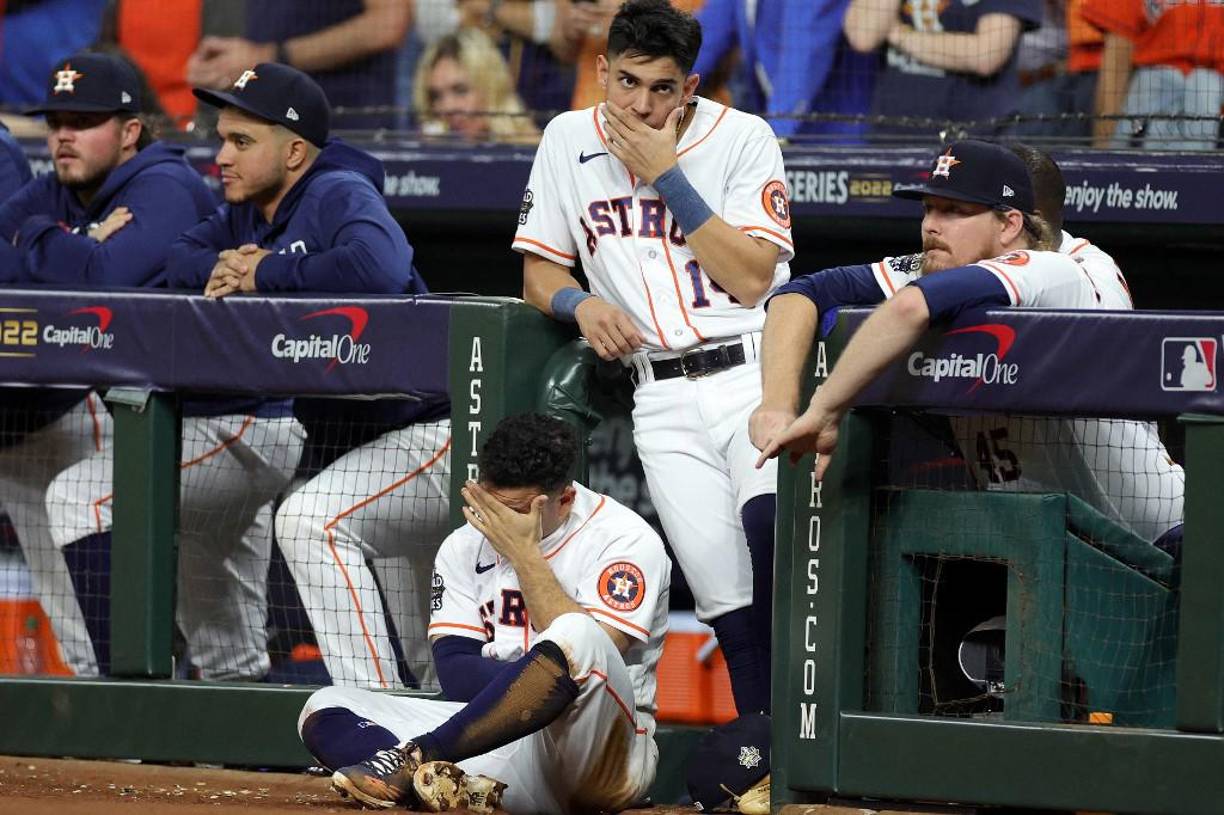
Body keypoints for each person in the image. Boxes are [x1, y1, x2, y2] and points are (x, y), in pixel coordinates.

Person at [514, 0, 790, 716]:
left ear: (689, 87)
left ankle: (813, 746)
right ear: (602, 71)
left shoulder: (743, 137)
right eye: (629, 82)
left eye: (662, 88)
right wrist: (580, 305)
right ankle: (764, 752)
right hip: (659, 393)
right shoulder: (567, 138)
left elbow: (754, 276)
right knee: (724, 592)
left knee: (774, 537)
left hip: (751, 371)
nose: (642, 103)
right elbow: (539, 273)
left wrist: (668, 173)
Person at [165, 61, 448, 690]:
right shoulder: (246, 213)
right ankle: (419, 746)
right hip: (369, 452)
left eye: (242, 141)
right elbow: (177, 260)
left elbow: (379, 269)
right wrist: (228, 263)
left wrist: (264, 273)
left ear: (294, 151)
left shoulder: (336, 190)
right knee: (427, 664)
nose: (221, 157)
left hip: (434, 433)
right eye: (220, 139)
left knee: (307, 520)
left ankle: (375, 723)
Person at [754, 140, 1183, 552]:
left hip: (1157, 535)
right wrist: (777, 403)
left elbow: (911, 307)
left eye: (954, 210)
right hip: (1054, 541)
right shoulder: (947, 262)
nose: (930, 226)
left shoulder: (1062, 270)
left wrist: (825, 408)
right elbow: (802, 292)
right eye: (928, 208)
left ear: (1011, 223)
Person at [297, 413, 671, 813]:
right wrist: (529, 693)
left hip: (598, 753)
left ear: (564, 498)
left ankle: (417, 760)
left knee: (577, 633)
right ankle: (454, 787)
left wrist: (525, 555)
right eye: (491, 505)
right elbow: (456, 674)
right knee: (322, 705)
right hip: (491, 743)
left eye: (515, 510)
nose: (496, 521)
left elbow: (588, 664)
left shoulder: (624, 539)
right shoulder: (463, 545)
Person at [0, 52, 218, 677]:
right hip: (155, 418)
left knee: (214, 625)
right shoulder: (58, 190)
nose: (64, 134)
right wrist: (75, 244)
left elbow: (105, 279)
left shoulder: (165, 185)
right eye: (56, 120)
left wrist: (48, 245)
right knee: (205, 626)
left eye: (85, 120)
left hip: (219, 421)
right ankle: (136, 742)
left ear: (129, 131)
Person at [186, 0, 413, 129]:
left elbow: (388, 24)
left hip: (345, 130)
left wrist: (269, 56)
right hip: (272, 126)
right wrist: (221, 65)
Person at [844, 0, 1042, 136]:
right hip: (893, 130)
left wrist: (900, 35)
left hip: (975, 137)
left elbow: (986, 56)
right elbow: (863, 36)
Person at [691, 0, 875, 141]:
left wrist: (774, 136)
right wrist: (665, 82)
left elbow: (802, 58)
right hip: (775, 128)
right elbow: (706, 40)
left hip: (832, 143)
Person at [1082, 0, 1224, 150]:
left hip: (1214, 98)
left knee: (1203, 83)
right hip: (1155, 87)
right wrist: (1103, 146)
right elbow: (1117, 57)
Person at [413, 28, 539, 142]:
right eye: (436, 96)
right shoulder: (427, 154)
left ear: (492, 87)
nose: (447, 107)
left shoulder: (535, 152)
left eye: (460, 90)